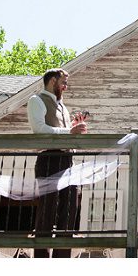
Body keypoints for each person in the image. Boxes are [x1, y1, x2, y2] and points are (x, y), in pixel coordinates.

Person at [27, 68, 87, 258]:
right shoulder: (36, 100)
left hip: (68, 161)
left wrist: (74, 127)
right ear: (53, 81)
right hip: (49, 159)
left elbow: (64, 132)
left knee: (69, 209)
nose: (66, 86)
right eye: (64, 82)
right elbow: (39, 129)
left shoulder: (63, 107)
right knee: (48, 209)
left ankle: (62, 259)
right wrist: (69, 132)